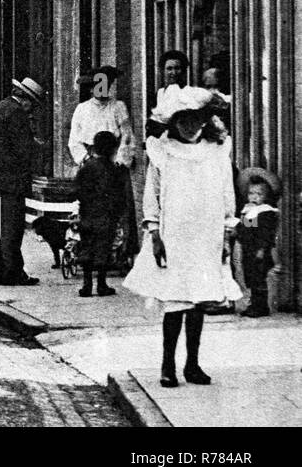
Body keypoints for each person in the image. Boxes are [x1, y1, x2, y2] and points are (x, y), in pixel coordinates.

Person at [122, 86, 241, 388]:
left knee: (198, 301)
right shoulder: (163, 152)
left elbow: (227, 194)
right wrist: (154, 234)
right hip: (175, 235)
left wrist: (226, 233)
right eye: (182, 120)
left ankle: (192, 364)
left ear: (205, 120)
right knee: (176, 302)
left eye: (196, 118)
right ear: (173, 122)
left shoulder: (217, 151)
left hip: (206, 235)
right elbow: (152, 197)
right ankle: (167, 365)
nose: (190, 125)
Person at [0, 77, 47, 286]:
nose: (32, 110)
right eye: (32, 104)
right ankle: (12, 273)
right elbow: (22, 149)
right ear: (25, 99)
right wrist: (37, 146)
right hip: (9, 180)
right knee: (11, 228)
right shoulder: (17, 113)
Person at [69, 65, 139, 261]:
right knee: (89, 207)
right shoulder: (82, 109)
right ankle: (87, 253)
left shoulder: (118, 107)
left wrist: (119, 160)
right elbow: (74, 140)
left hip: (113, 162)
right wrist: (86, 159)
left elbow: (127, 136)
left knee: (118, 206)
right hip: (91, 163)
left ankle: (119, 252)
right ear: (91, 88)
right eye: (97, 86)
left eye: (105, 85)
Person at [75, 130, 129, 298]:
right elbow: (120, 195)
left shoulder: (86, 167)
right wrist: (118, 213)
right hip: (106, 217)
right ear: (112, 149)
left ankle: (86, 285)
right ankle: (101, 284)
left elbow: (76, 190)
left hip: (87, 215)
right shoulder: (114, 170)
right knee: (103, 250)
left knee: (87, 248)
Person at [236, 175, 279, 318]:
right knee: (251, 278)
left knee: (259, 278)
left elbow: (266, 234)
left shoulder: (266, 212)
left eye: (259, 194)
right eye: (251, 193)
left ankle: (261, 306)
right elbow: (245, 229)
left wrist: (261, 249)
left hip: (259, 251)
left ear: (266, 196)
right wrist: (243, 218)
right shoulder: (250, 210)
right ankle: (254, 303)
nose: (254, 197)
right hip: (249, 250)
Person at [146, 50, 189, 139]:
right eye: (169, 68)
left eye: (177, 68)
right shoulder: (159, 94)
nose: (173, 72)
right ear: (163, 71)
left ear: (183, 70)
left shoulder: (189, 93)